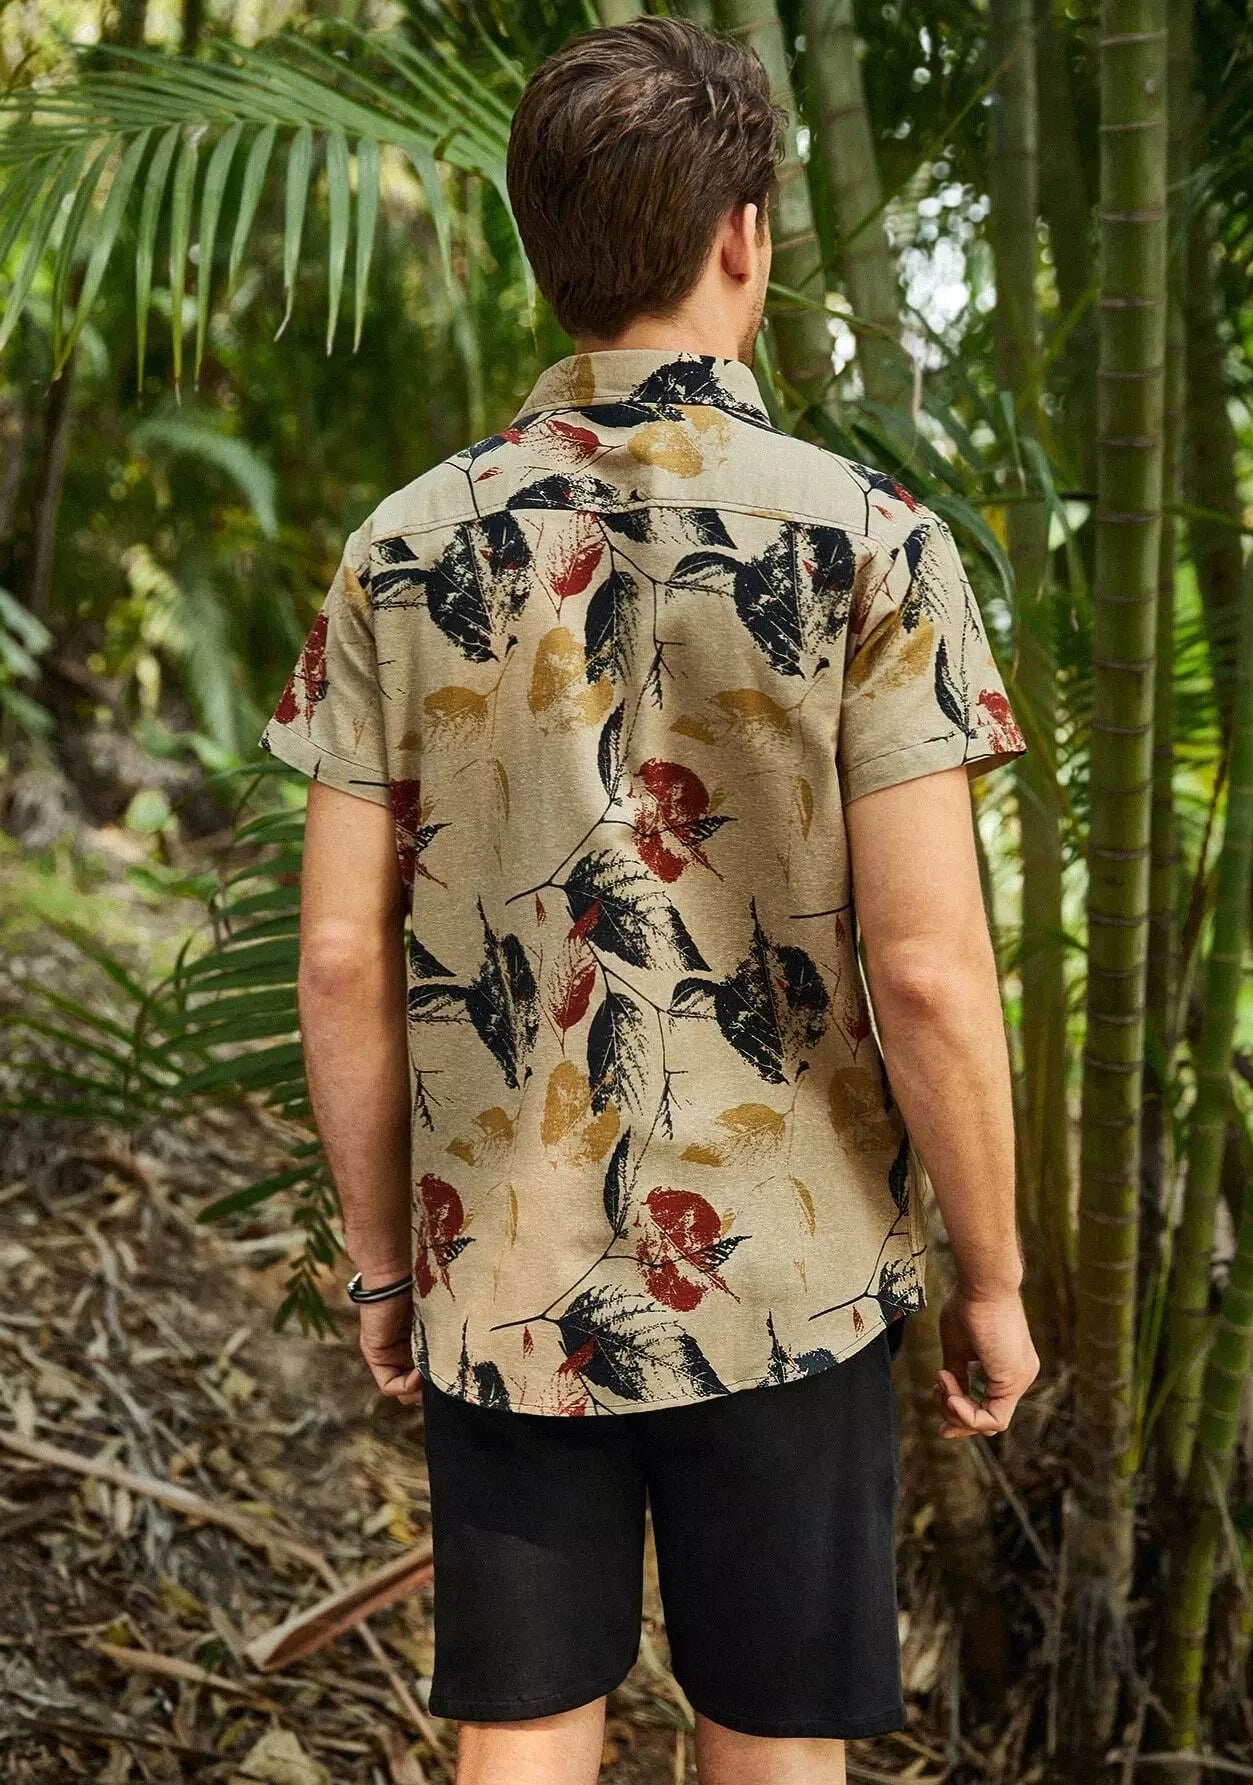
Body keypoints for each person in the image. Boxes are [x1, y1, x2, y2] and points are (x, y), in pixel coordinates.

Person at [257, 16, 1039, 1785]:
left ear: (544, 253)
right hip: (793, 1276)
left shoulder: (404, 551)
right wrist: (992, 1276)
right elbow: (927, 969)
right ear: (745, 236)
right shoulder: (871, 542)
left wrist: (380, 1260)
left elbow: (339, 956)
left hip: (503, 1272)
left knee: (522, 1729)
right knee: (777, 1736)